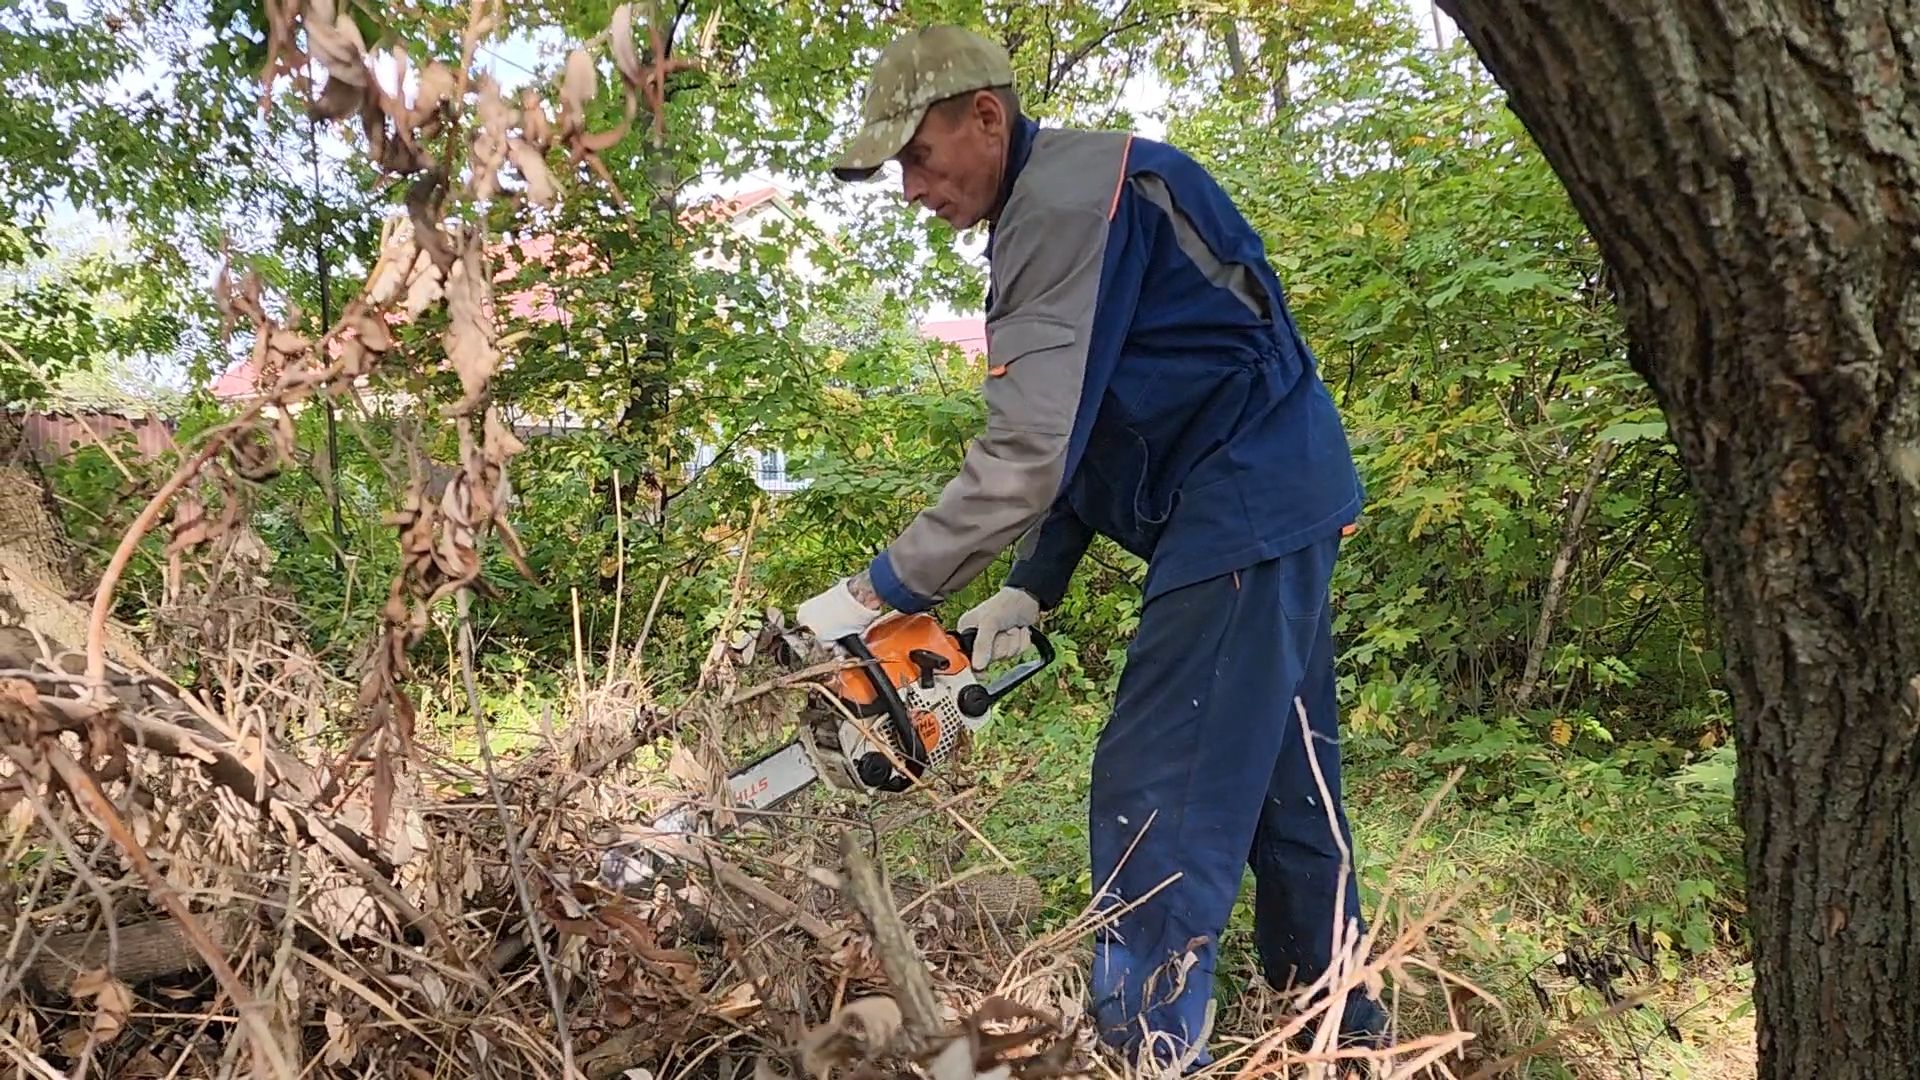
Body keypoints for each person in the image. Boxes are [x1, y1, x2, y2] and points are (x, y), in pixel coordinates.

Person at [793, 23, 1389, 1066]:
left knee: (1158, 786)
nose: (911, 190)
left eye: (918, 157)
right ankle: (1340, 1032)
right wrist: (1034, 583)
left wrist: (875, 593)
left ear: (986, 114)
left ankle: (1149, 1048)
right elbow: (1094, 421)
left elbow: (1025, 455)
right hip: (1271, 495)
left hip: (1241, 499)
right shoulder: (1072, 197)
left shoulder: (1068, 202)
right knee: (1289, 785)